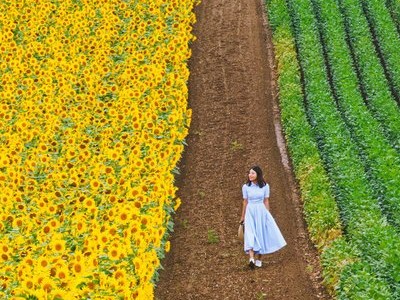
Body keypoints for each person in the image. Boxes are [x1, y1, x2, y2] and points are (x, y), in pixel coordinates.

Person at [239, 166, 286, 269]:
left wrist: (267, 214)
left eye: (252, 173)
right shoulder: (246, 187)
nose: (250, 175)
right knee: (250, 234)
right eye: (249, 173)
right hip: (250, 211)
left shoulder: (265, 186)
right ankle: (251, 258)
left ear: (258, 175)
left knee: (261, 233)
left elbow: (266, 200)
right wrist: (243, 216)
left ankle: (259, 258)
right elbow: (245, 202)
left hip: (261, 211)